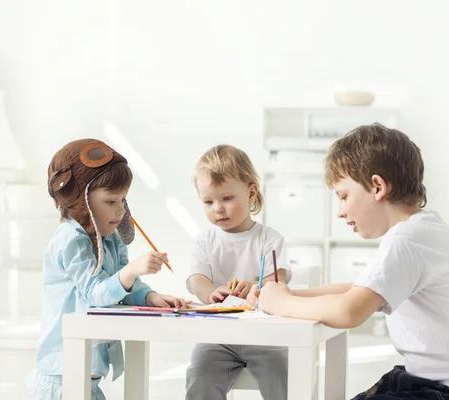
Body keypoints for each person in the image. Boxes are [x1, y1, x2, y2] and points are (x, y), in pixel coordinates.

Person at [250, 124, 449, 400]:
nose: (340, 212)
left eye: (344, 196)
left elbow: (349, 310)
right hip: (447, 385)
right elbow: (358, 288)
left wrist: (281, 303)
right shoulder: (419, 233)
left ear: (378, 186)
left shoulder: (408, 240)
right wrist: (287, 292)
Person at [27, 138, 188, 399]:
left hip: (86, 382)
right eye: (111, 201)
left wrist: (149, 297)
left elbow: (122, 284)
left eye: (123, 200)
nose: (121, 210)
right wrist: (132, 270)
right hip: (61, 381)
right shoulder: (71, 239)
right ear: (83, 202)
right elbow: (95, 292)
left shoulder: (110, 237)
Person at [185, 144, 292, 400]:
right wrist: (212, 292)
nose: (218, 208)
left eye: (227, 198)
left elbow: (278, 279)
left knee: (284, 378)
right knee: (200, 376)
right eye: (208, 201)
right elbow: (196, 280)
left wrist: (256, 285)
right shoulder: (205, 241)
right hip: (218, 336)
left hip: (266, 337)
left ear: (251, 192)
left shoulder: (269, 238)